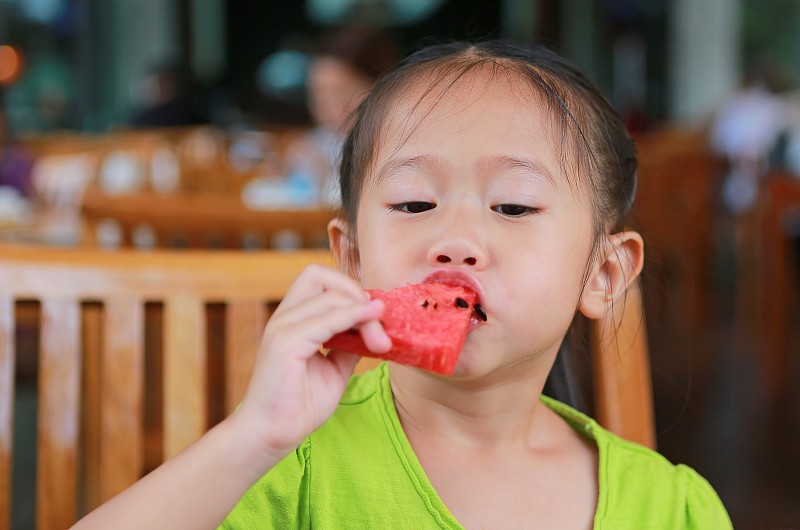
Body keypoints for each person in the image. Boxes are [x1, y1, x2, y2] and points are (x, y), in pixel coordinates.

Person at [74, 40, 732, 528]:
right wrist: (255, 434)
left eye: (514, 207)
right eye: (414, 204)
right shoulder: (291, 467)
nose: (455, 241)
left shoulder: (672, 506)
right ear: (352, 256)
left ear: (604, 272)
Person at [282, 27, 399, 206]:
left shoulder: (398, 145)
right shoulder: (316, 142)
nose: (326, 107)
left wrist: (323, 175)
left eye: (341, 94)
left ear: (380, 88)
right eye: (317, 95)